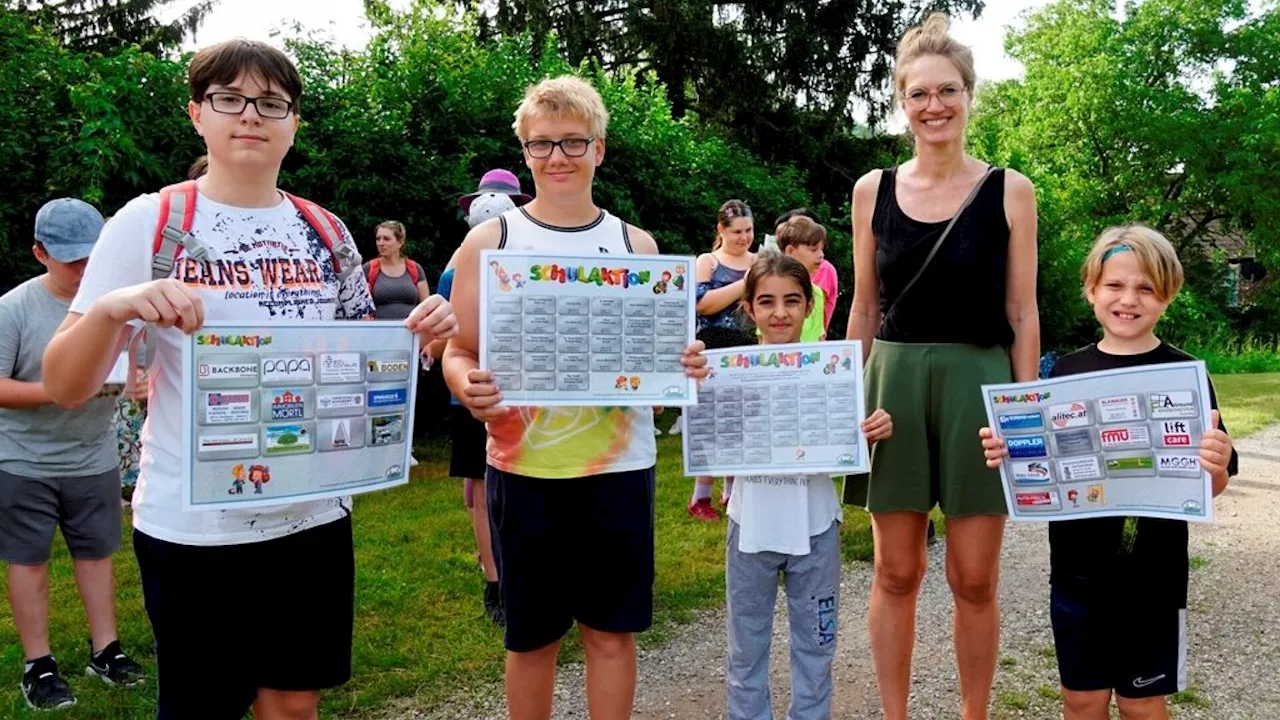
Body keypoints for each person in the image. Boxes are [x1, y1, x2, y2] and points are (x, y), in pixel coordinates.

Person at [40, 39, 457, 720]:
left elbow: (360, 363)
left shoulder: (327, 232)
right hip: (195, 527)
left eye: (271, 103)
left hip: (315, 515)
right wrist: (114, 308)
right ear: (196, 114)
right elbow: (64, 385)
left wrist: (420, 340)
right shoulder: (150, 223)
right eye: (228, 99)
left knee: (294, 702)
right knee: (204, 707)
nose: (250, 116)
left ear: (293, 121)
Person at [442, 75, 709, 720]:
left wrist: (685, 366)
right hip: (522, 469)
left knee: (610, 634)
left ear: (600, 150)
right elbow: (457, 349)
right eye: (541, 145)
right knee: (531, 638)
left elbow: (664, 365)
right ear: (525, 152)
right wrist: (462, 382)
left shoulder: (635, 247)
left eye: (572, 142)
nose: (556, 157)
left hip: (617, 471)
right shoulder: (491, 242)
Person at [843, 13, 1040, 720]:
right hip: (892, 380)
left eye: (948, 91)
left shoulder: (1011, 190)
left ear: (969, 95)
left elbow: (1023, 313)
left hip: (979, 383)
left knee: (975, 576)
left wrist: (1027, 416)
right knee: (897, 570)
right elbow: (863, 309)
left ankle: (973, 714)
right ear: (902, 101)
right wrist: (842, 398)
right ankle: (895, 714)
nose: (935, 105)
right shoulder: (872, 190)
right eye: (919, 93)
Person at [980, 224, 1238, 720]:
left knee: (1142, 704)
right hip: (1076, 573)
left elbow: (1215, 483)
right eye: (1115, 286)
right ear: (1092, 290)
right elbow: (1039, 460)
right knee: (1081, 700)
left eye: (1145, 288)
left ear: (1168, 296)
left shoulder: (1187, 375)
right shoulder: (1062, 373)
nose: (1129, 299)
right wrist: (1007, 452)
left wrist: (1216, 462)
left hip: (1154, 579)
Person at [725, 254, 893, 720]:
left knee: (816, 647)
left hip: (816, 527)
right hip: (750, 526)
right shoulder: (726, 373)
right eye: (767, 302)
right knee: (745, 650)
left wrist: (872, 426)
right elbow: (705, 424)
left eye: (792, 301)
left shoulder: (834, 371)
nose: (780, 312)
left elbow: (853, 429)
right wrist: (694, 384)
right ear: (749, 307)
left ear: (809, 304)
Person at [1, 198, 146, 710]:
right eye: (72, 259)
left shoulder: (118, 305)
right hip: (23, 462)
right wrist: (64, 389)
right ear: (40, 252)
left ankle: (105, 651)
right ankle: (37, 665)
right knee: (28, 560)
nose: (86, 269)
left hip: (94, 457)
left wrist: (137, 384)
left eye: (93, 256)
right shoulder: (13, 309)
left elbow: (135, 370)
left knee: (97, 555)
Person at [435, 170, 532, 626]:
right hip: (477, 392)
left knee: (489, 492)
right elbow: (448, 343)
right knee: (482, 490)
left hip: (516, 395)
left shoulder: (528, 260)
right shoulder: (460, 267)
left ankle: (501, 576)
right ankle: (496, 581)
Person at [688, 199, 757, 520]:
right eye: (737, 231)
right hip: (712, 349)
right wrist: (744, 282)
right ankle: (700, 496)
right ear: (721, 230)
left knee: (741, 424)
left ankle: (733, 491)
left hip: (747, 347)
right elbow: (702, 304)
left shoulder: (759, 260)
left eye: (749, 230)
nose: (744, 237)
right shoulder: (709, 261)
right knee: (711, 425)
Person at [774, 208, 839, 334]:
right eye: (814, 249)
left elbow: (817, 336)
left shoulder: (817, 293)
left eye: (822, 249)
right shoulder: (770, 289)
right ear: (790, 251)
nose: (821, 255)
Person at [364, 220, 430, 320]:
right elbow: (359, 306)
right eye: (378, 239)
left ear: (400, 242)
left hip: (410, 330)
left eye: (386, 239)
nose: (381, 243)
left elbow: (426, 306)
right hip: (378, 331)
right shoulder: (368, 269)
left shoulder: (415, 269)